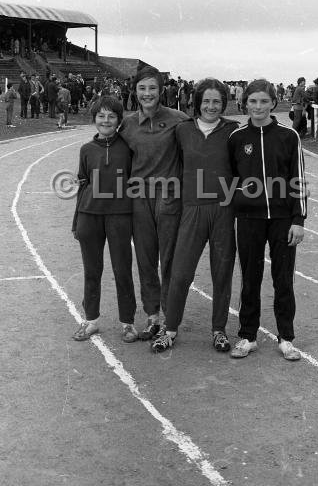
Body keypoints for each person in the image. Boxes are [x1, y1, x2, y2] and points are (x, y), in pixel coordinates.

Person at [152, 79, 239, 353]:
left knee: (222, 272)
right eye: (206, 101)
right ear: (197, 102)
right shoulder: (183, 131)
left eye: (216, 101)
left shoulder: (233, 130)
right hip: (191, 209)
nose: (211, 106)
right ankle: (171, 328)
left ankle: (219, 330)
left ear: (223, 103)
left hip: (223, 210)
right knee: (180, 272)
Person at [228, 79, 307, 361]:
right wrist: (237, 203)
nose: (258, 107)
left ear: (273, 103)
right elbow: (230, 178)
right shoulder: (236, 138)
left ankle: (286, 337)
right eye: (253, 101)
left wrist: (299, 219)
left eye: (264, 101)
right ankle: (248, 336)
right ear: (245, 103)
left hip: (283, 220)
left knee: (283, 279)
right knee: (250, 278)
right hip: (248, 219)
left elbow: (298, 178)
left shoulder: (288, 136)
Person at [119, 65, 188, 340]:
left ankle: (170, 319)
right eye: (142, 88)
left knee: (169, 259)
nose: (147, 93)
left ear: (161, 91)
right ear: (135, 91)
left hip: (169, 198)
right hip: (139, 199)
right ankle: (152, 315)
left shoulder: (179, 120)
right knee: (145, 259)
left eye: (152, 88)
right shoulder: (127, 124)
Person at [72, 96, 137, 343]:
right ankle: (91, 321)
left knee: (122, 270)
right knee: (92, 270)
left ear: (119, 121)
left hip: (120, 216)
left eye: (111, 116)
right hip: (90, 216)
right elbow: (82, 184)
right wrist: (76, 219)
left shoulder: (128, 147)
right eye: (101, 116)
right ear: (94, 119)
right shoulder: (86, 150)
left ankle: (128, 323)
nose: (106, 120)